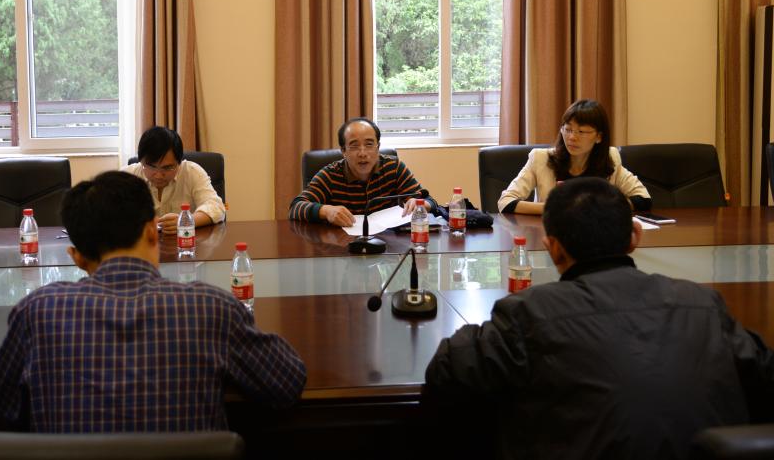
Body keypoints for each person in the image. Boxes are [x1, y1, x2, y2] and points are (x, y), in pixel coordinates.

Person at [425, 178, 774, 459]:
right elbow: (763, 376)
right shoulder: (702, 304)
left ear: (552, 247)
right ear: (635, 237)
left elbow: (446, 370)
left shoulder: (529, 313)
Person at [0, 170, 306, 433]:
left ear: (76, 257)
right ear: (152, 232)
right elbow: (286, 383)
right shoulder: (211, 307)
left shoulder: (38, 311)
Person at [497, 98, 650, 214]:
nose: (572, 137)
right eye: (568, 129)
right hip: (554, 235)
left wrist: (605, 207)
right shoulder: (540, 159)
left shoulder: (611, 158)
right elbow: (506, 202)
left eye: (581, 132)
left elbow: (643, 199)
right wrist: (553, 208)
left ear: (599, 137)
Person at [289, 117, 428, 225]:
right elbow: (295, 207)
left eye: (369, 144)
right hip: (343, 246)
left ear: (378, 147)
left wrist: (419, 204)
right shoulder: (330, 175)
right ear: (343, 151)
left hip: (387, 246)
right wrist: (325, 211)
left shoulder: (393, 167)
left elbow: (429, 200)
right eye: (354, 146)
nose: (363, 153)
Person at [122, 126, 225, 234]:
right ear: (141, 160)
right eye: (151, 166)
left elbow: (216, 207)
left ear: (179, 162)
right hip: (143, 242)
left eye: (167, 168)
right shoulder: (127, 176)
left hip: (186, 240)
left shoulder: (192, 172)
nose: (158, 175)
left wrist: (186, 221)